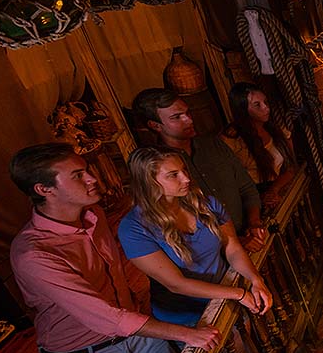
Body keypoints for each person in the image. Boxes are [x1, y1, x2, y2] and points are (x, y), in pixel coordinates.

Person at [9, 144, 220, 353]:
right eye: (78, 175)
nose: (93, 178)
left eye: (88, 171)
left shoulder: (94, 216)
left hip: (141, 336)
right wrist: (185, 332)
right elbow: (104, 317)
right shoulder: (33, 254)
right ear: (44, 189)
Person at [119, 147, 273, 328]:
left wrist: (256, 280)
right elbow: (176, 284)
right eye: (173, 175)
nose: (186, 178)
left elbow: (232, 247)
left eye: (184, 170)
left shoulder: (204, 204)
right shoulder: (134, 229)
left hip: (227, 294)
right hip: (189, 317)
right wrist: (237, 294)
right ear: (149, 182)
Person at [133, 88, 266, 252]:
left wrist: (254, 223)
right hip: (216, 255)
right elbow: (176, 220)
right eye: (177, 117)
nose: (188, 120)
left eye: (188, 113)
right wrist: (233, 242)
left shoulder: (213, 144)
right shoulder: (158, 167)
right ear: (155, 125)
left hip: (249, 235)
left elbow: (246, 187)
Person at [222, 82, 296, 210]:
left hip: (274, 190)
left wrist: (274, 190)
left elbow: (290, 168)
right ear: (243, 108)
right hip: (253, 198)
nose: (266, 108)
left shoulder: (275, 129)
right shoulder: (233, 139)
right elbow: (232, 182)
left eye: (265, 102)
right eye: (257, 105)